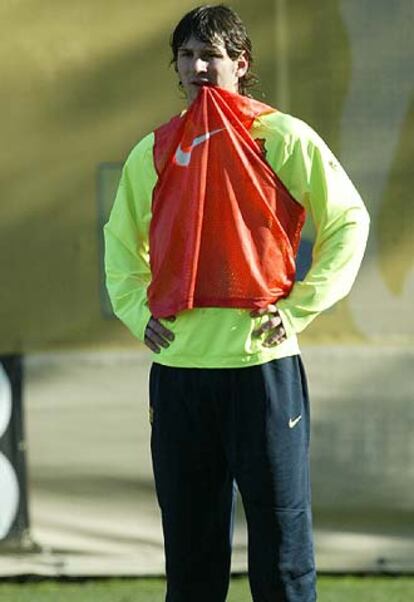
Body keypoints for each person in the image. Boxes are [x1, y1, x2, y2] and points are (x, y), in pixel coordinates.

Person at [104, 5, 369, 601]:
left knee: (283, 553)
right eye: (188, 55)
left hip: (263, 373)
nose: (199, 66)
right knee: (192, 558)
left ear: (239, 64)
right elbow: (121, 246)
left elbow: (349, 221)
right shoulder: (153, 150)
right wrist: (136, 312)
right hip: (179, 376)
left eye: (212, 55)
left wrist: (299, 307)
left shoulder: (282, 136)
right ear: (175, 66)